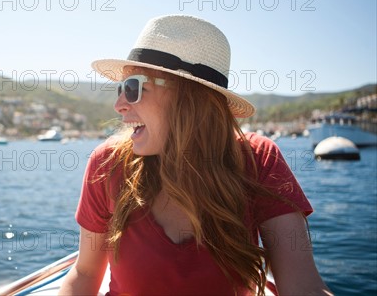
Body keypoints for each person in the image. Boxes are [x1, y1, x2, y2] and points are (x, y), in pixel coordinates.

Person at [59, 15, 332, 295]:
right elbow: (85, 273)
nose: (119, 105)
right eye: (120, 89)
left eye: (133, 88)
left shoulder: (258, 159)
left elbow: (304, 288)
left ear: (189, 96)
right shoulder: (108, 164)